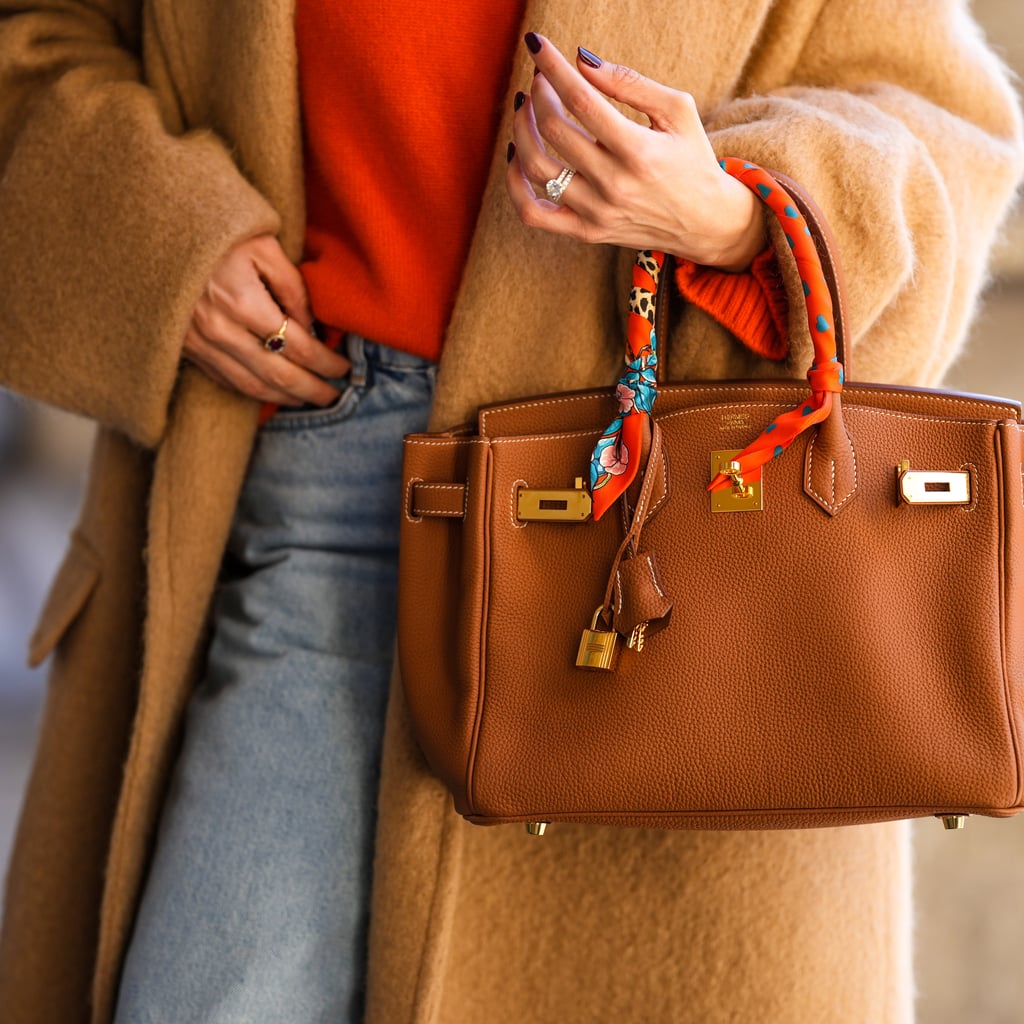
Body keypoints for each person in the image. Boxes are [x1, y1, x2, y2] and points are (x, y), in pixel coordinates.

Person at [0, 3, 1020, 1022]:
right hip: (303, 483)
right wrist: (156, 232)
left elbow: (942, 123)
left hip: (670, 527)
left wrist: (738, 215)